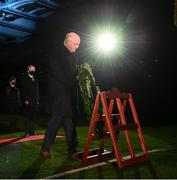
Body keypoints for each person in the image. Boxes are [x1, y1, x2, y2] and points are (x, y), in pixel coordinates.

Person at [41, 32, 81, 159]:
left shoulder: (74, 55)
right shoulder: (56, 52)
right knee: (56, 120)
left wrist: (80, 73)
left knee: (70, 121)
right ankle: (45, 149)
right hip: (59, 93)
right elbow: (57, 72)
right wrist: (72, 80)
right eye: (76, 44)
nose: (77, 47)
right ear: (69, 41)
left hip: (68, 93)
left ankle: (72, 150)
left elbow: (75, 70)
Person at [21, 65, 39, 137]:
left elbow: (37, 90)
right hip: (28, 100)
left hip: (34, 100)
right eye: (32, 70)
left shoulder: (35, 78)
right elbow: (24, 90)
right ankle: (26, 132)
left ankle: (32, 131)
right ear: (28, 70)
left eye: (34, 70)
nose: (33, 71)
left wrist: (37, 99)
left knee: (33, 117)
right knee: (27, 117)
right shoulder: (24, 78)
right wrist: (26, 99)